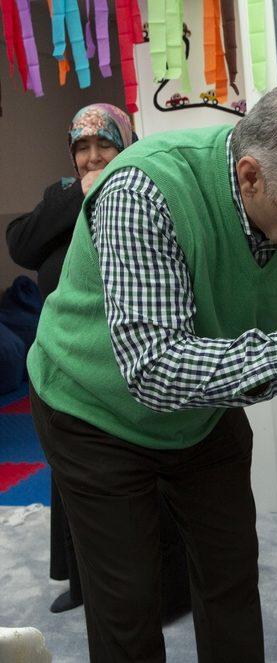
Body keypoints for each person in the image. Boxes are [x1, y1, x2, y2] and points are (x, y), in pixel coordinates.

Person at [26, 78, 277, 663]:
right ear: (252, 176)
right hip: (93, 409)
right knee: (129, 608)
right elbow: (154, 369)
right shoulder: (144, 186)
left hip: (205, 412)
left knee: (231, 581)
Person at [6, 103, 192, 617]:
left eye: (104, 146)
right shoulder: (64, 196)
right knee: (74, 484)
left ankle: (170, 593)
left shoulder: (149, 193)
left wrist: (109, 189)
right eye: (82, 148)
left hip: (131, 368)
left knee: (144, 489)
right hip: (67, 369)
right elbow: (20, 244)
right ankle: (85, 583)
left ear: (127, 146)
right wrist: (78, 194)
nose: (92, 157)